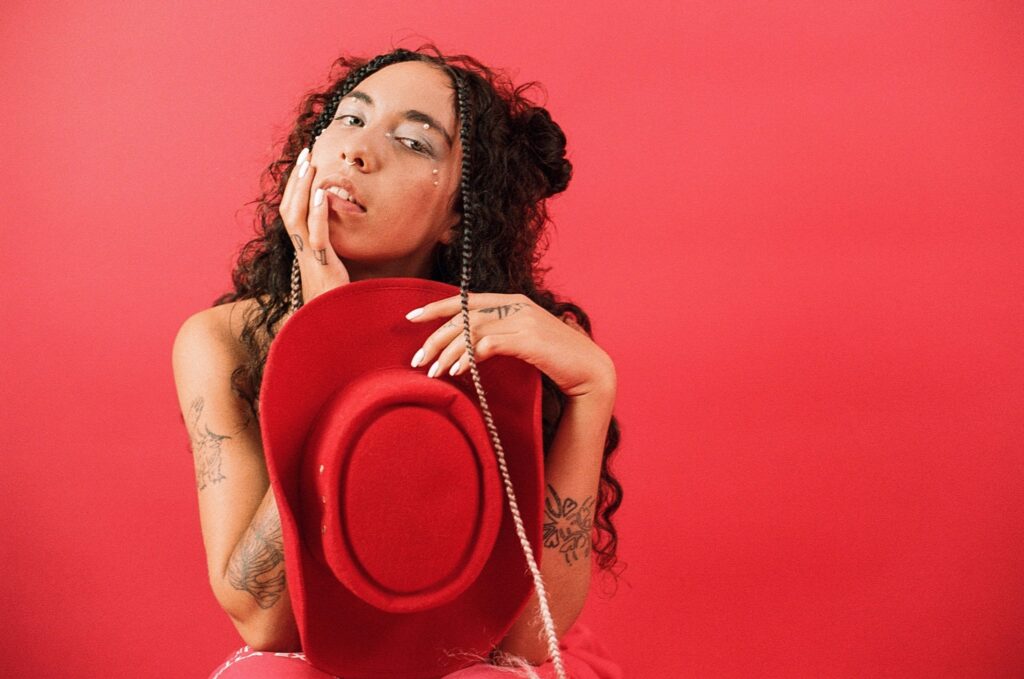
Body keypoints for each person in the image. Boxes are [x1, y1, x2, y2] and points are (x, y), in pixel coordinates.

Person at [172, 44, 624, 678]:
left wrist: (592, 390)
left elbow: (519, 642)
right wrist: (327, 347)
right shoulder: (222, 341)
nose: (358, 150)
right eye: (349, 120)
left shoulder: (503, 348)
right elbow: (264, 619)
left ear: (458, 217)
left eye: (414, 142)